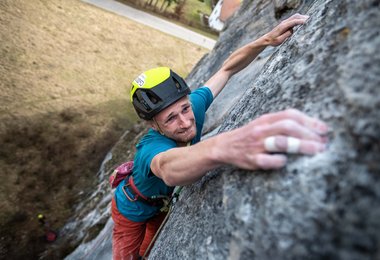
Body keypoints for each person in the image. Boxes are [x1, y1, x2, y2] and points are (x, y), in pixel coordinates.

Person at [112, 13, 328, 259]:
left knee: (147, 252)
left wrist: (266, 40)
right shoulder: (150, 147)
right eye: (170, 119)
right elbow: (167, 168)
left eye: (184, 108)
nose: (185, 122)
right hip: (130, 209)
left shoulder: (194, 105)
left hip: (158, 205)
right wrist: (223, 147)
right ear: (154, 125)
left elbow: (227, 69)